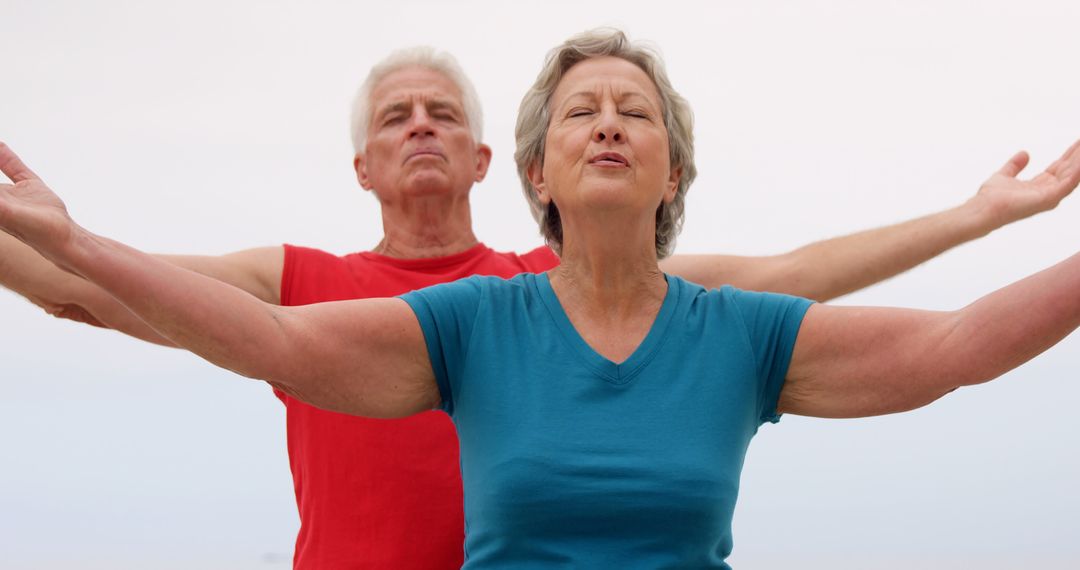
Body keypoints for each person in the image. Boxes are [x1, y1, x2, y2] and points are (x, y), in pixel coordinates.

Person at [1, 42, 1076, 568]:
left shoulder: (598, 305)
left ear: (486, 160)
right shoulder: (392, 307)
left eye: (635, 113)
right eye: (393, 118)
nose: (418, 127)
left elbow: (877, 309)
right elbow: (127, 301)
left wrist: (975, 217)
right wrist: (69, 237)